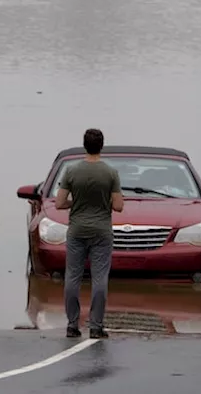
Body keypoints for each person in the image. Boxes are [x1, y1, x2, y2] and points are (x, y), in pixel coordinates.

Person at [56, 128, 124, 339]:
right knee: (100, 278)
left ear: (84, 145)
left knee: (73, 276)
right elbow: (119, 206)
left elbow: (59, 203)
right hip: (102, 232)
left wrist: (75, 202)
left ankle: (72, 324)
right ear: (101, 146)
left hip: (77, 230)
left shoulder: (71, 171)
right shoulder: (111, 173)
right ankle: (96, 326)